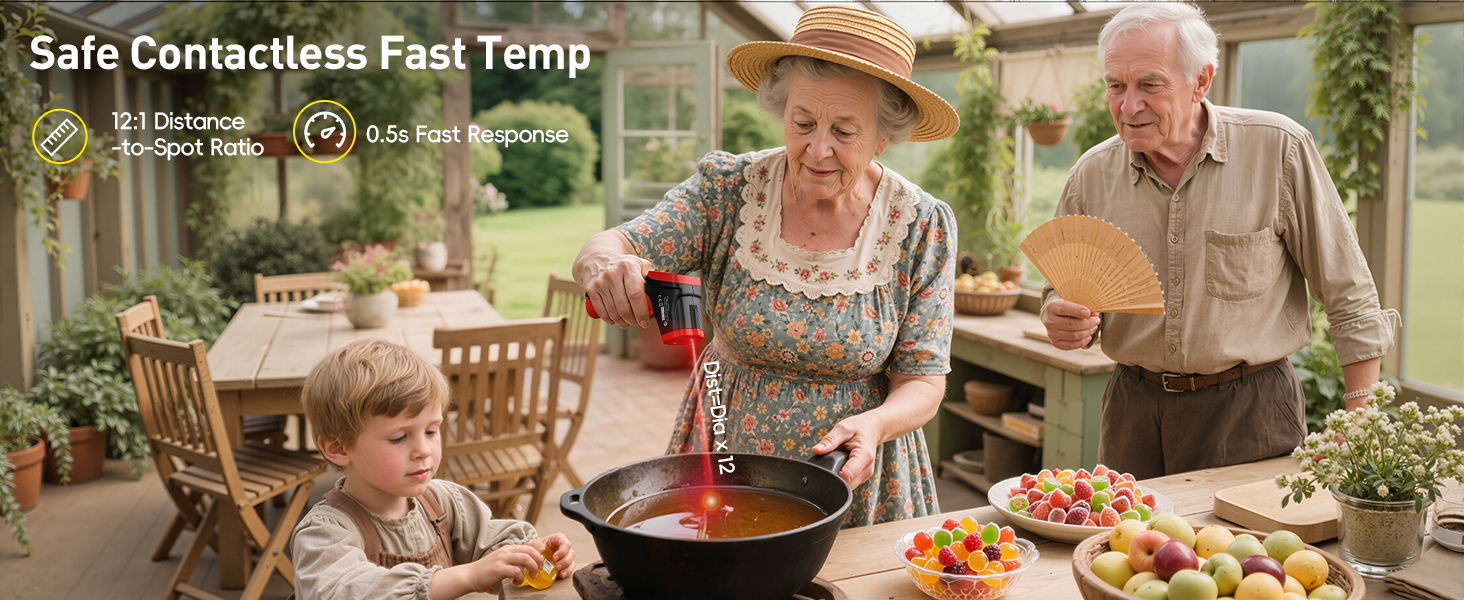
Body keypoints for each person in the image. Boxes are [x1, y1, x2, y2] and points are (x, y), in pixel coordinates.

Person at [573, 6, 960, 527]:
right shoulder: (730, 190)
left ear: (882, 137)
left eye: (845, 131)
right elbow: (615, 241)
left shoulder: (920, 224)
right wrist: (603, 264)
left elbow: (924, 381)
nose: (818, 149)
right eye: (802, 123)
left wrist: (877, 424)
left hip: (861, 475)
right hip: (728, 460)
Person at [1041, 3, 1397, 480]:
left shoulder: (1278, 149)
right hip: (1131, 410)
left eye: (1150, 84)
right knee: (1124, 552)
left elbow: (1349, 293)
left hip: (1251, 412)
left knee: (1248, 554)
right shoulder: (1091, 173)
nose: (1128, 106)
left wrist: (1360, 419)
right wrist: (1058, 313)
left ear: (1201, 80)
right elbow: (1060, 287)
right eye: (1116, 85)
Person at [291, 339, 575, 599]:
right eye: (399, 437)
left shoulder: (442, 501)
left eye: (431, 431)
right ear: (339, 448)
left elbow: (494, 541)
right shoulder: (323, 534)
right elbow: (350, 591)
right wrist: (467, 575)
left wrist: (533, 554)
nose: (424, 450)